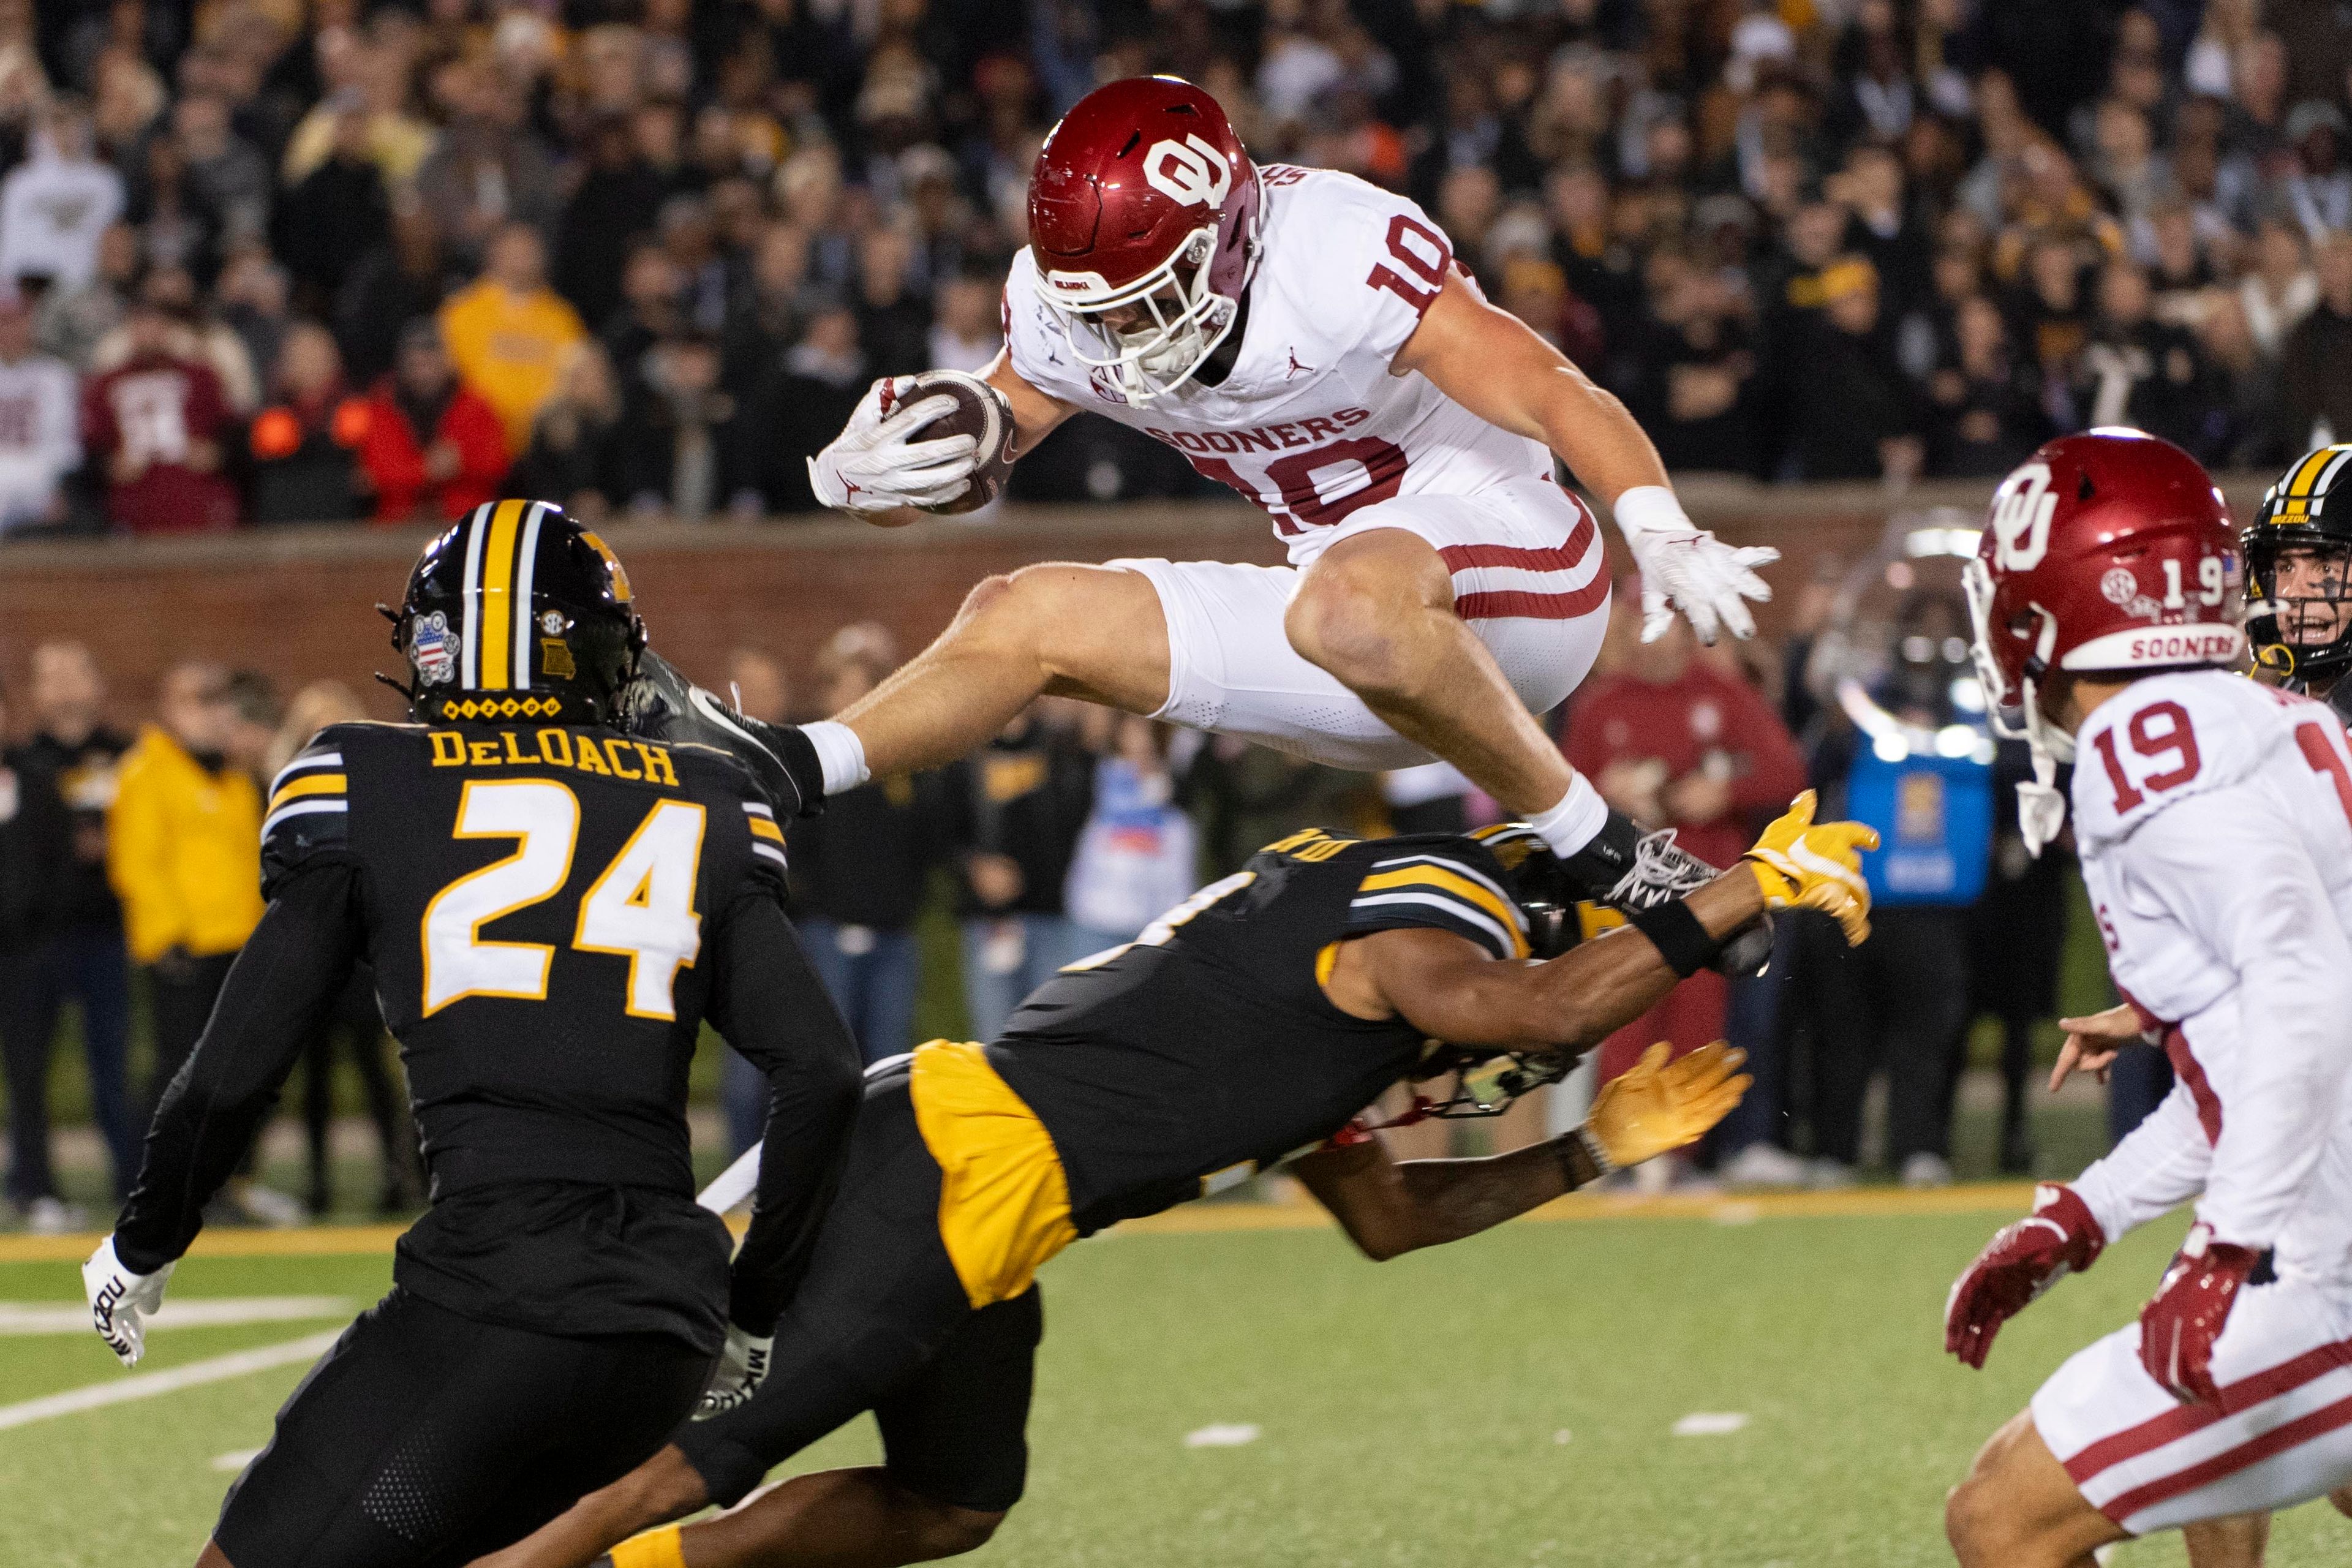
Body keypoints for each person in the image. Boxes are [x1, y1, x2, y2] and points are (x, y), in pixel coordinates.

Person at [469, 798, 1878, 1568]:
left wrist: (1585, 1149)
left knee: (951, 1501)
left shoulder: (1348, 1009)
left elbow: (1389, 1217)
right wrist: (1748, 884)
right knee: (664, 1451)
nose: (1474, 1081)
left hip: (991, 1208)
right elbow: (1553, 1009)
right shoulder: (1433, 910)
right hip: (939, 1166)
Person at [80, 502, 862, 1567]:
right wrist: (755, 1309)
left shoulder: (365, 782)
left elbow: (229, 1080)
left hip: (494, 1306)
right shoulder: (708, 798)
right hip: (663, 1334)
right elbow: (820, 1073)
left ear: (436, 647)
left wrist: (145, 1241)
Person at [789, 78, 1777, 914]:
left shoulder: (1336, 251)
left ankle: (1599, 847)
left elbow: (1555, 389)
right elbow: (965, 470)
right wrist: (859, 481)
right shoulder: (1075, 307)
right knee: (1020, 613)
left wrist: (1654, 521)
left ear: (1226, 236)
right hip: (1350, 634)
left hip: (1515, 570)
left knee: (1348, 600)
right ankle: (782, 774)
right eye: (1099, 308)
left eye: (1145, 298)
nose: (1121, 333)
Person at [1942, 431, 2352, 1565]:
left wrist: (2222, 1250)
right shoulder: (2276, 719)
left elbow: (2303, 990)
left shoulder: (2144, 749)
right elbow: (2263, 1042)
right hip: (2321, 1213)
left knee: (2000, 1522)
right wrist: (2090, 1213)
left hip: (2337, 1270)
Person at [107, 661, 263, 1115]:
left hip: (237, 943)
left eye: (220, 702)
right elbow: (137, 863)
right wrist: (167, 936)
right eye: (200, 702)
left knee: (237, 1073)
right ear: (171, 709)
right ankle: (157, 1181)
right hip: (184, 950)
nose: (214, 714)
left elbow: (250, 859)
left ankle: (226, 1180)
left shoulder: (234, 778)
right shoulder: (146, 771)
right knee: (178, 1071)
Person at [13, 642, 138, 1201]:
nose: (63, 687)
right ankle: (34, 1186)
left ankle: (131, 1182)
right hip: (38, 939)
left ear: (97, 683)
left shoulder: (128, 756)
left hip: (107, 934)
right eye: (50, 676)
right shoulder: (23, 760)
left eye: (74, 673)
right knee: (28, 1071)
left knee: (113, 1066)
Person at [79, 287, 238, 534]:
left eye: (156, 324)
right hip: (133, 500)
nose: (149, 333)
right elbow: (91, 448)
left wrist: (217, 453)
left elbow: (232, 433)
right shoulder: (106, 384)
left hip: (195, 493)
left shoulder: (201, 376)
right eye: (141, 324)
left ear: (168, 329)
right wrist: (109, 465)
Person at [438, 223, 587, 455]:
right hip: (476, 445)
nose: (520, 259)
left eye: (528, 251)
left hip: (543, 447)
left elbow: (576, 376)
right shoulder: (460, 312)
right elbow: (448, 378)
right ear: (493, 254)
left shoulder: (562, 317)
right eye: (512, 250)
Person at [358, 318, 510, 524]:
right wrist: (428, 468)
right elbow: (377, 473)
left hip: (464, 521)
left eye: (431, 361)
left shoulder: (474, 405)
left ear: (446, 361)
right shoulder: (383, 407)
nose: (424, 372)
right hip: (398, 525)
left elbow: (498, 462)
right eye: (415, 364)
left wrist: (462, 463)